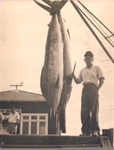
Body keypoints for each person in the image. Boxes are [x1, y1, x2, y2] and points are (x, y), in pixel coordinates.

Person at [72, 51, 105, 136]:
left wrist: (97, 89)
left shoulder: (97, 68)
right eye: (86, 59)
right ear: (84, 60)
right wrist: (73, 76)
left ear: (92, 59)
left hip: (93, 88)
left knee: (94, 110)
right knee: (84, 111)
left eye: (89, 59)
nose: (88, 60)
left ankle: (95, 130)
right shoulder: (82, 70)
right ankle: (86, 132)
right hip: (85, 89)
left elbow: (102, 79)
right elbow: (78, 81)